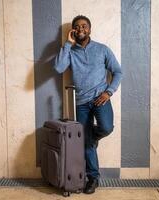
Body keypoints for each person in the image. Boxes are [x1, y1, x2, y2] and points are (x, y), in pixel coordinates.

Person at [54, 15, 122, 194]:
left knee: (106, 128)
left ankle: (90, 135)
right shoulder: (70, 51)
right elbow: (59, 68)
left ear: (90, 29)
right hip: (81, 102)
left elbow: (117, 71)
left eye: (84, 26)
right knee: (86, 143)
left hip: (101, 98)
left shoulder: (102, 49)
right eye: (77, 26)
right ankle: (93, 178)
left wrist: (109, 92)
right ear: (73, 31)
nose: (80, 28)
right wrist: (67, 44)